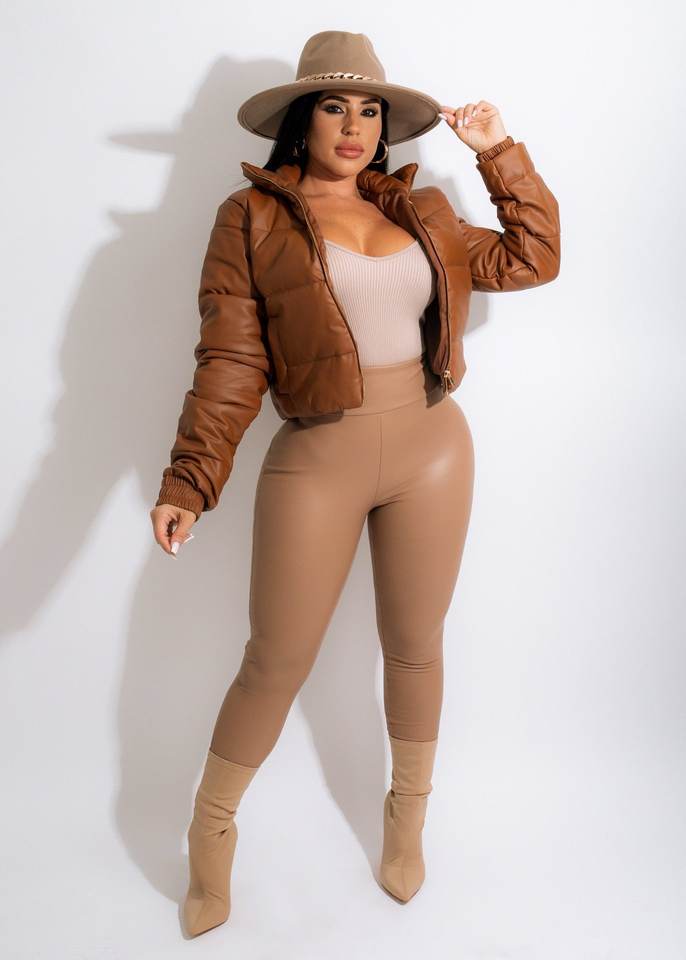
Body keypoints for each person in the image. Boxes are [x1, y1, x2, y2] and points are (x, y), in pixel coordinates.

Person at [150, 30, 560, 938]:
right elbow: (231, 359)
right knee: (275, 659)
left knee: (415, 646)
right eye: (335, 106)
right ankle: (210, 838)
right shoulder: (250, 218)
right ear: (302, 119)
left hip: (432, 446)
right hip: (318, 456)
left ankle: (405, 824)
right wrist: (190, 479)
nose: (354, 125)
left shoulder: (421, 211)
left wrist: (496, 151)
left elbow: (533, 257)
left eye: (371, 110)